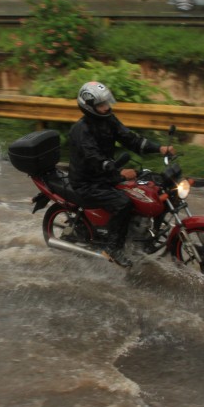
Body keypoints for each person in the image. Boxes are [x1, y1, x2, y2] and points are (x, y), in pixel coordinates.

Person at [68, 81, 175, 268]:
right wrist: (118, 172)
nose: (106, 107)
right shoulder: (81, 130)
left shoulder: (108, 120)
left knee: (152, 183)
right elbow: (95, 158)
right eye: (101, 105)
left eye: (107, 102)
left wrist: (160, 148)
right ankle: (113, 248)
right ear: (89, 106)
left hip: (105, 176)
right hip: (88, 182)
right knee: (123, 203)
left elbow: (131, 140)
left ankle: (144, 235)